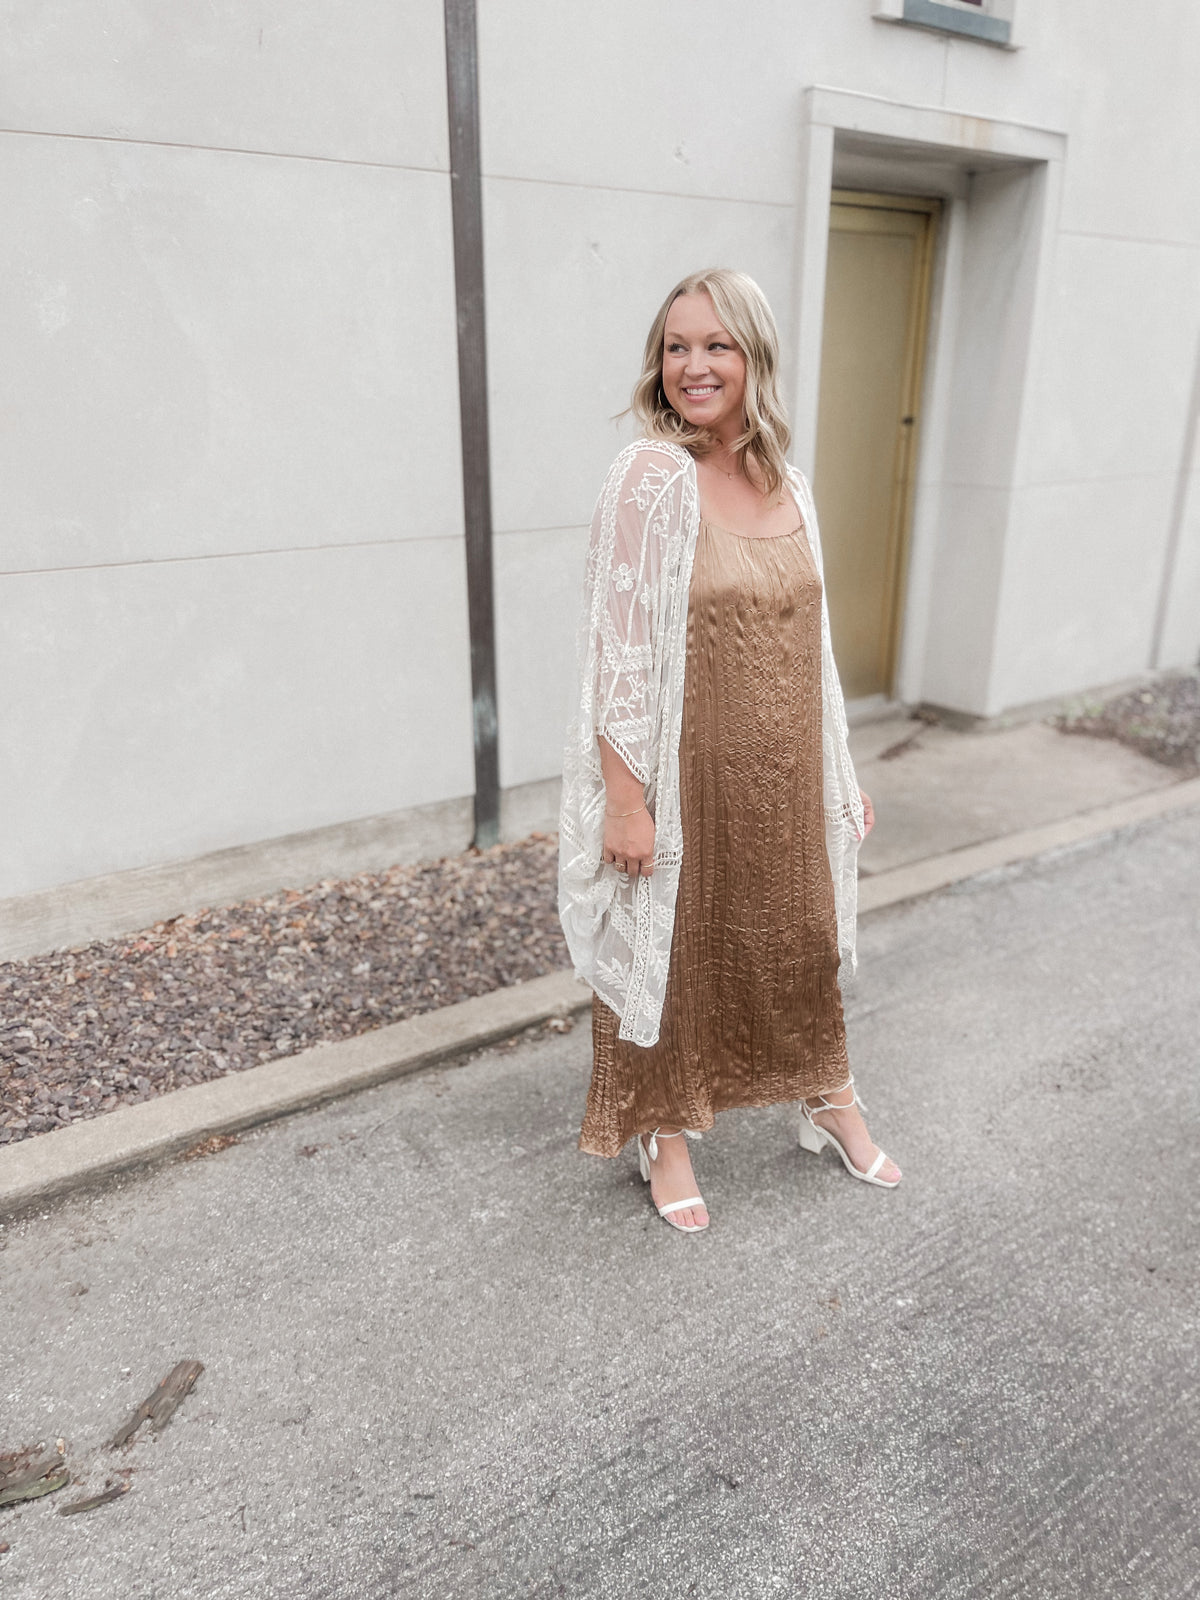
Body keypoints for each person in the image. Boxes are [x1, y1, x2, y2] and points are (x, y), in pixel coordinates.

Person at [557, 268, 900, 1234]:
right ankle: (662, 1132)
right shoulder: (648, 477)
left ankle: (829, 1100)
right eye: (676, 347)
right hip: (685, 776)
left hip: (787, 775)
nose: (694, 366)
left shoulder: (792, 484)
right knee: (672, 954)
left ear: (755, 358)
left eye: (717, 345)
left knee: (798, 945)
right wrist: (627, 803)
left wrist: (842, 769)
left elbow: (816, 646)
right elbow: (615, 654)